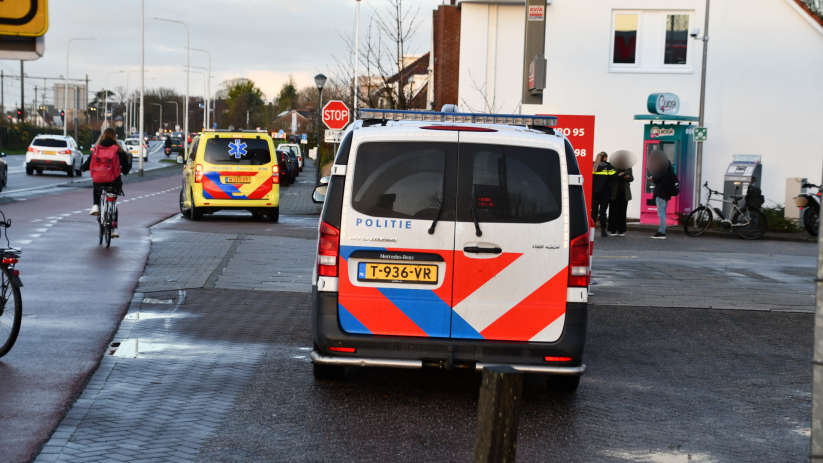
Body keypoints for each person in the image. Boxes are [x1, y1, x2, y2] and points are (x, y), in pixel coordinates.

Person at [83, 128, 131, 238]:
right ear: (115, 137)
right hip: (113, 181)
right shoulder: (118, 149)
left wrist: (83, 168)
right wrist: (125, 170)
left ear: (103, 136)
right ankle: (114, 230)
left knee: (96, 186)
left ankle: (95, 205)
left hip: (99, 180)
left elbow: (90, 161)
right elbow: (126, 166)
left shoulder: (97, 148)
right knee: (113, 203)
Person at [647, 150, 679, 240]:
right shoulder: (670, 172)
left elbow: (655, 179)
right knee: (663, 213)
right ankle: (662, 230)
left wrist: (651, 179)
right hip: (666, 195)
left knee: (661, 213)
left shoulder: (661, 171)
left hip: (661, 194)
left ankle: (661, 231)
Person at [591, 151, 617, 237]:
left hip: (593, 193)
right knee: (603, 212)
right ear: (605, 158)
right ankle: (603, 231)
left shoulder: (592, 165)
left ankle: (591, 231)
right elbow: (615, 176)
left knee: (593, 211)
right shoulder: (608, 166)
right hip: (604, 193)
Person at [608, 164, 633, 236]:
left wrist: (628, 177)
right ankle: (613, 230)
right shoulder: (612, 166)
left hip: (624, 193)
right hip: (614, 192)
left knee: (623, 211)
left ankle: (621, 230)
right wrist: (618, 175)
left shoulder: (628, 166)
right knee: (613, 211)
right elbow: (610, 177)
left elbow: (632, 178)